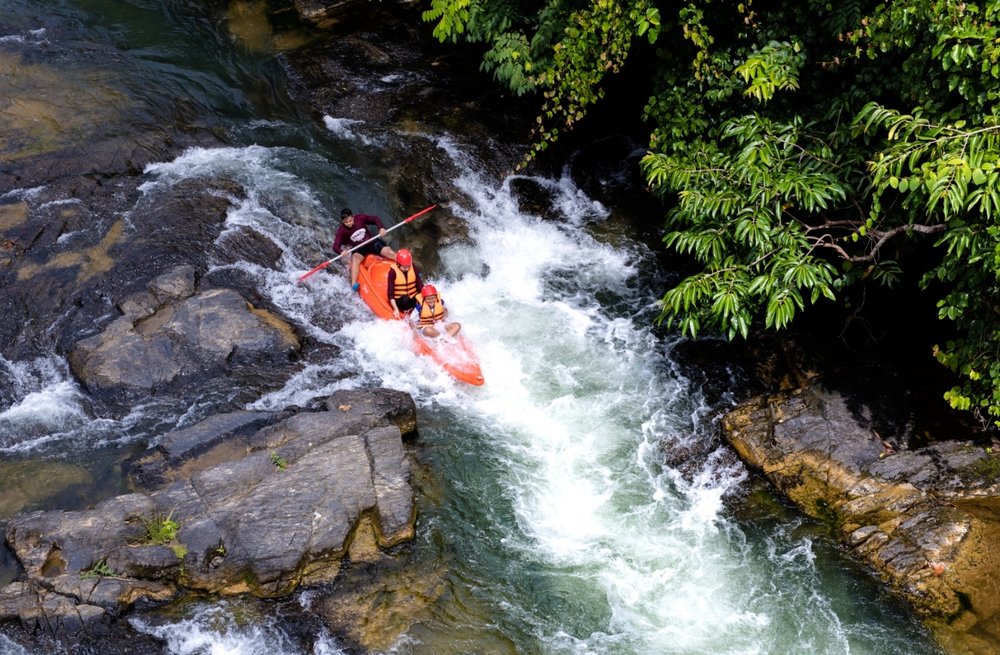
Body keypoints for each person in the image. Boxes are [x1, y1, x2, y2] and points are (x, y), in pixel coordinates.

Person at [331, 208, 396, 292]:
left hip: (372, 242)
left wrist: (381, 228)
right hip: (359, 248)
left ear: (353, 216)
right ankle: (354, 285)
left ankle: (406, 264)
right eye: (346, 222)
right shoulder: (341, 231)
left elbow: (375, 219)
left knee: (389, 252)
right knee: (355, 260)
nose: (349, 224)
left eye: (350, 220)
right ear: (342, 221)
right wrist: (341, 251)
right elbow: (335, 246)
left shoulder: (360, 218)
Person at [387, 249, 425, 319]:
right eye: (404, 267)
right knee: (405, 299)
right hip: (401, 302)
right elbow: (390, 294)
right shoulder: (392, 272)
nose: (407, 269)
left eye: (408, 266)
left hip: (413, 299)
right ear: (398, 264)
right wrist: (395, 309)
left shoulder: (413, 267)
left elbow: (420, 286)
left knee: (426, 295)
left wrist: (426, 298)